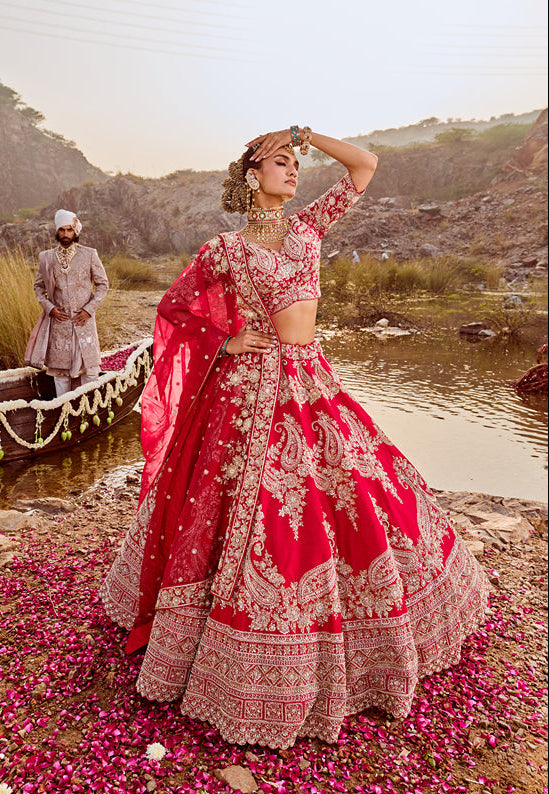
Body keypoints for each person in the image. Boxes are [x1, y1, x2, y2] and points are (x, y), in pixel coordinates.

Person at [101, 127, 489, 749]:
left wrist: (306, 134)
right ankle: (222, 644)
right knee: (248, 509)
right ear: (251, 175)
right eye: (279, 163)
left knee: (352, 487)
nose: (292, 170)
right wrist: (223, 341)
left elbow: (365, 164)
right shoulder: (225, 248)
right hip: (247, 386)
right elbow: (175, 309)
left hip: (308, 377)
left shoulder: (309, 226)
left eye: (295, 163)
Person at [25, 209, 109, 396]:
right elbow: (38, 287)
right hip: (59, 324)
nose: (65, 234)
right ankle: (65, 414)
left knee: (90, 372)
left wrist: (89, 310)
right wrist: (50, 308)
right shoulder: (46, 258)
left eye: (69, 230)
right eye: (61, 230)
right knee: (61, 376)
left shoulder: (89, 254)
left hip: (84, 322)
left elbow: (103, 285)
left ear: (76, 231)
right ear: (56, 232)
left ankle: (88, 411)